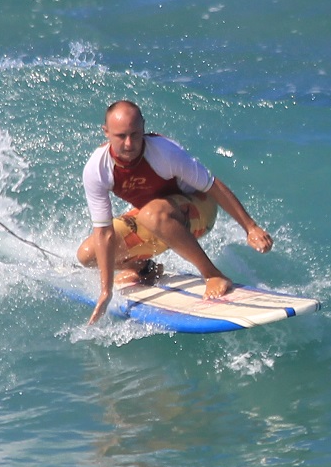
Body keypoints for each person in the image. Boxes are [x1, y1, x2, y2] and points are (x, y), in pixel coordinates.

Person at [75, 100, 275, 321]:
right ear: (106, 132)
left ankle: (214, 274)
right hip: (154, 217)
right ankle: (142, 268)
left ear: (143, 127)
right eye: (121, 136)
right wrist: (106, 291)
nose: (129, 143)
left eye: (135, 134)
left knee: (152, 214)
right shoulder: (97, 169)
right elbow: (104, 233)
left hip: (199, 209)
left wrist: (251, 227)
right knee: (88, 255)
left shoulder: (164, 152)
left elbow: (213, 186)